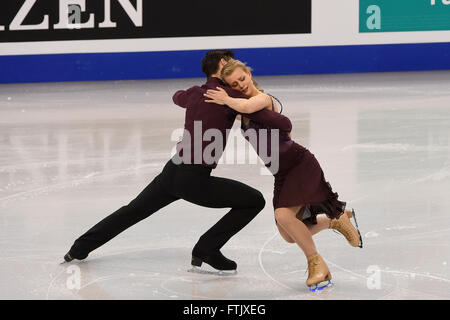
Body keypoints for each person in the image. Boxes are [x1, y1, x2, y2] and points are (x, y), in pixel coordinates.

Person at [63, 50, 283, 274]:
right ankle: (206, 248)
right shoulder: (229, 97)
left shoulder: (196, 93)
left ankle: (79, 248)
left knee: (133, 210)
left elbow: (178, 96)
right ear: (224, 63)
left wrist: (194, 98)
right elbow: (270, 111)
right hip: (194, 179)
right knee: (254, 201)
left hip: (172, 171)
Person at [203, 59, 363, 291]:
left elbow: (248, 106)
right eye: (234, 84)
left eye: (242, 78)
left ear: (249, 73)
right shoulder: (239, 109)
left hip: (299, 164)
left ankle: (316, 265)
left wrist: (227, 99)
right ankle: (334, 220)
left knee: (283, 215)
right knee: (288, 233)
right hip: (281, 173)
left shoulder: (263, 99)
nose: (240, 85)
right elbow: (226, 112)